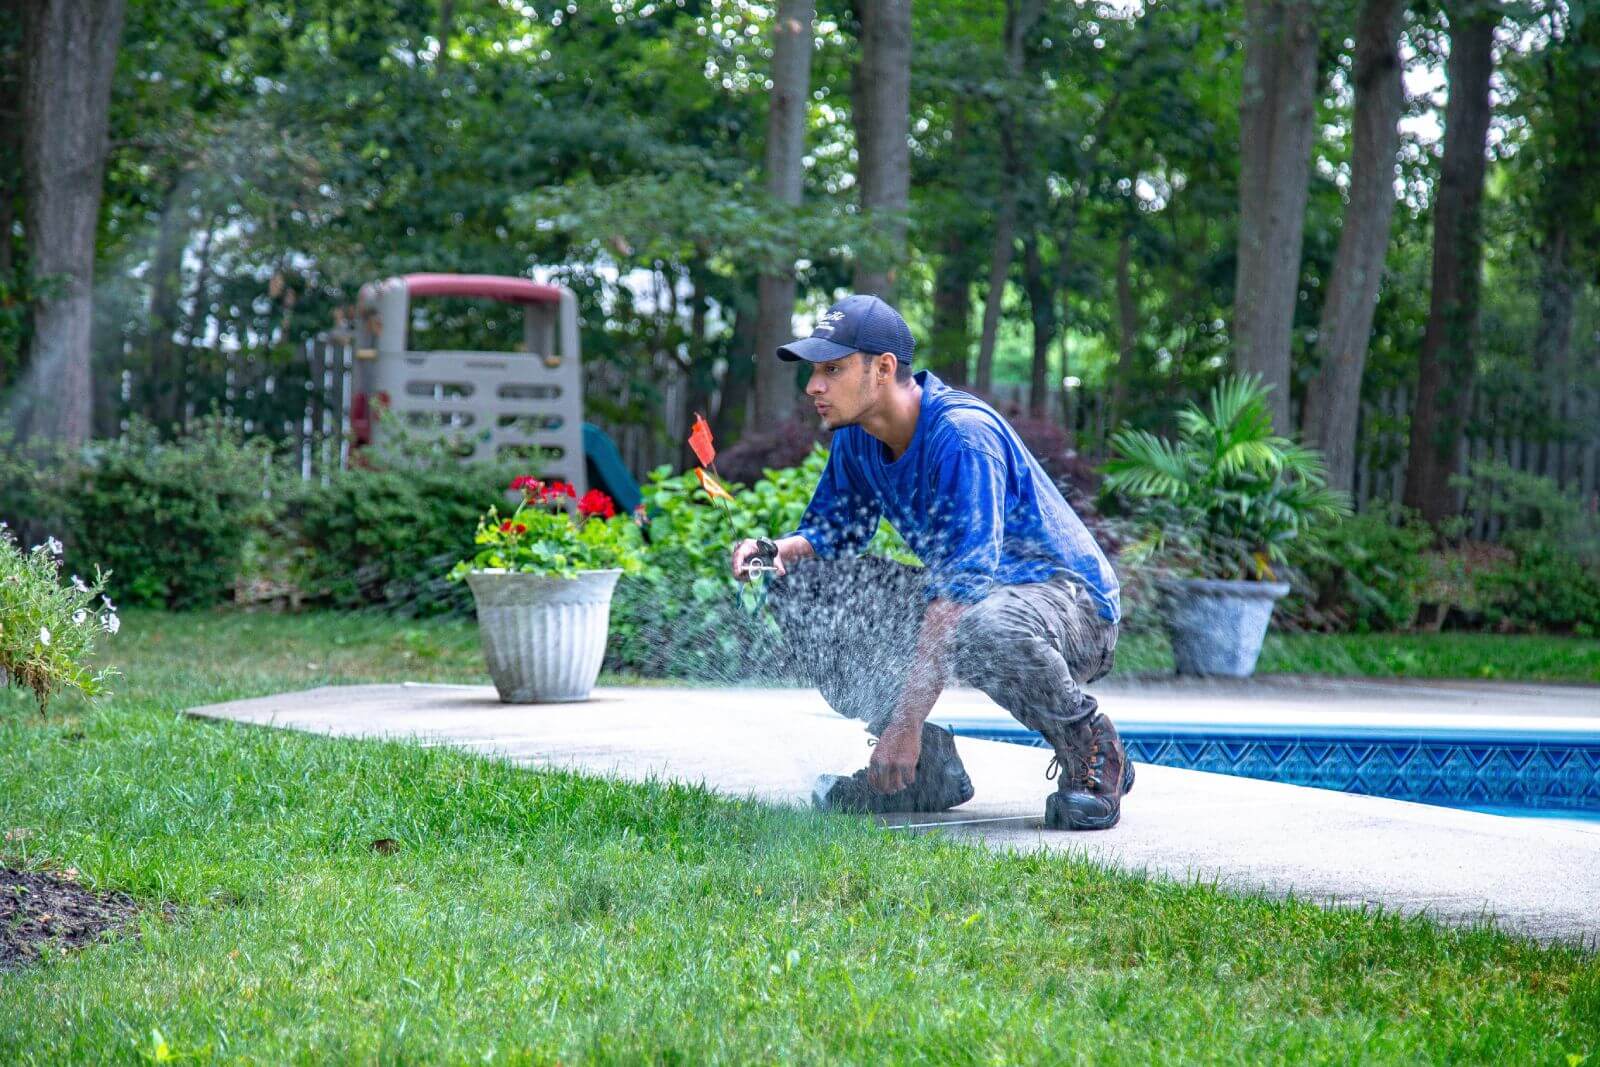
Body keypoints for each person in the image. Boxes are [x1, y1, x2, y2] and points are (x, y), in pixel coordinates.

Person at [729, 294, 1132, 831]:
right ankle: (924, 771)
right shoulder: (858, 437)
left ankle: (1092, 751)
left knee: (982, 623)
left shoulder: (963, 436)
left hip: (1072, 608)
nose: (813, 387)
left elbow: (961, 593)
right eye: (812, 371)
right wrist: (776, 551)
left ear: (884, 368)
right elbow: (832, 533)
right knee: (802, 583)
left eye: (831, 369)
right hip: (980, 598)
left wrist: (906, 722)